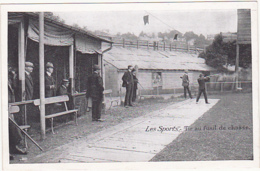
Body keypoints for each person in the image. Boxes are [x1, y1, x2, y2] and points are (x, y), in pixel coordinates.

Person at [8, 69, 27, 157]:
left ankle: (13, 147)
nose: (14, 77)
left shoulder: (10, 82)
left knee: (13, 126)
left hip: (9, 108)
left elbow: (13, 90)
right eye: (13, 76)